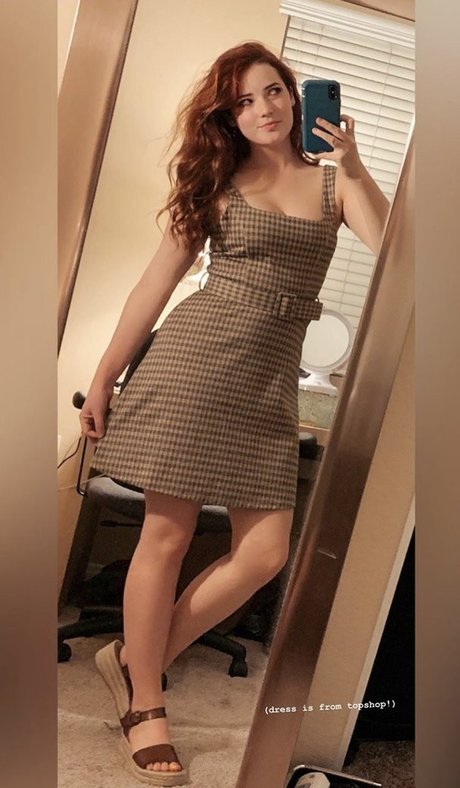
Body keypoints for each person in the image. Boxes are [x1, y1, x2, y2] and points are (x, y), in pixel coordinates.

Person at [79, 41, 390, 786]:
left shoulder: (332, 184)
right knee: (166, 535)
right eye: (245, 101)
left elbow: (395, 252)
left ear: (295, 95)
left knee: (265, 555)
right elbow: (154, 286)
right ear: (229, 116)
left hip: (267, 382)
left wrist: (354, 167)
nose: (265, 109)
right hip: (194, 363)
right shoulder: (216, 184)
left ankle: (134, 661)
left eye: (274, 91)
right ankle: (146, 704)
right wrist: (104, 377)